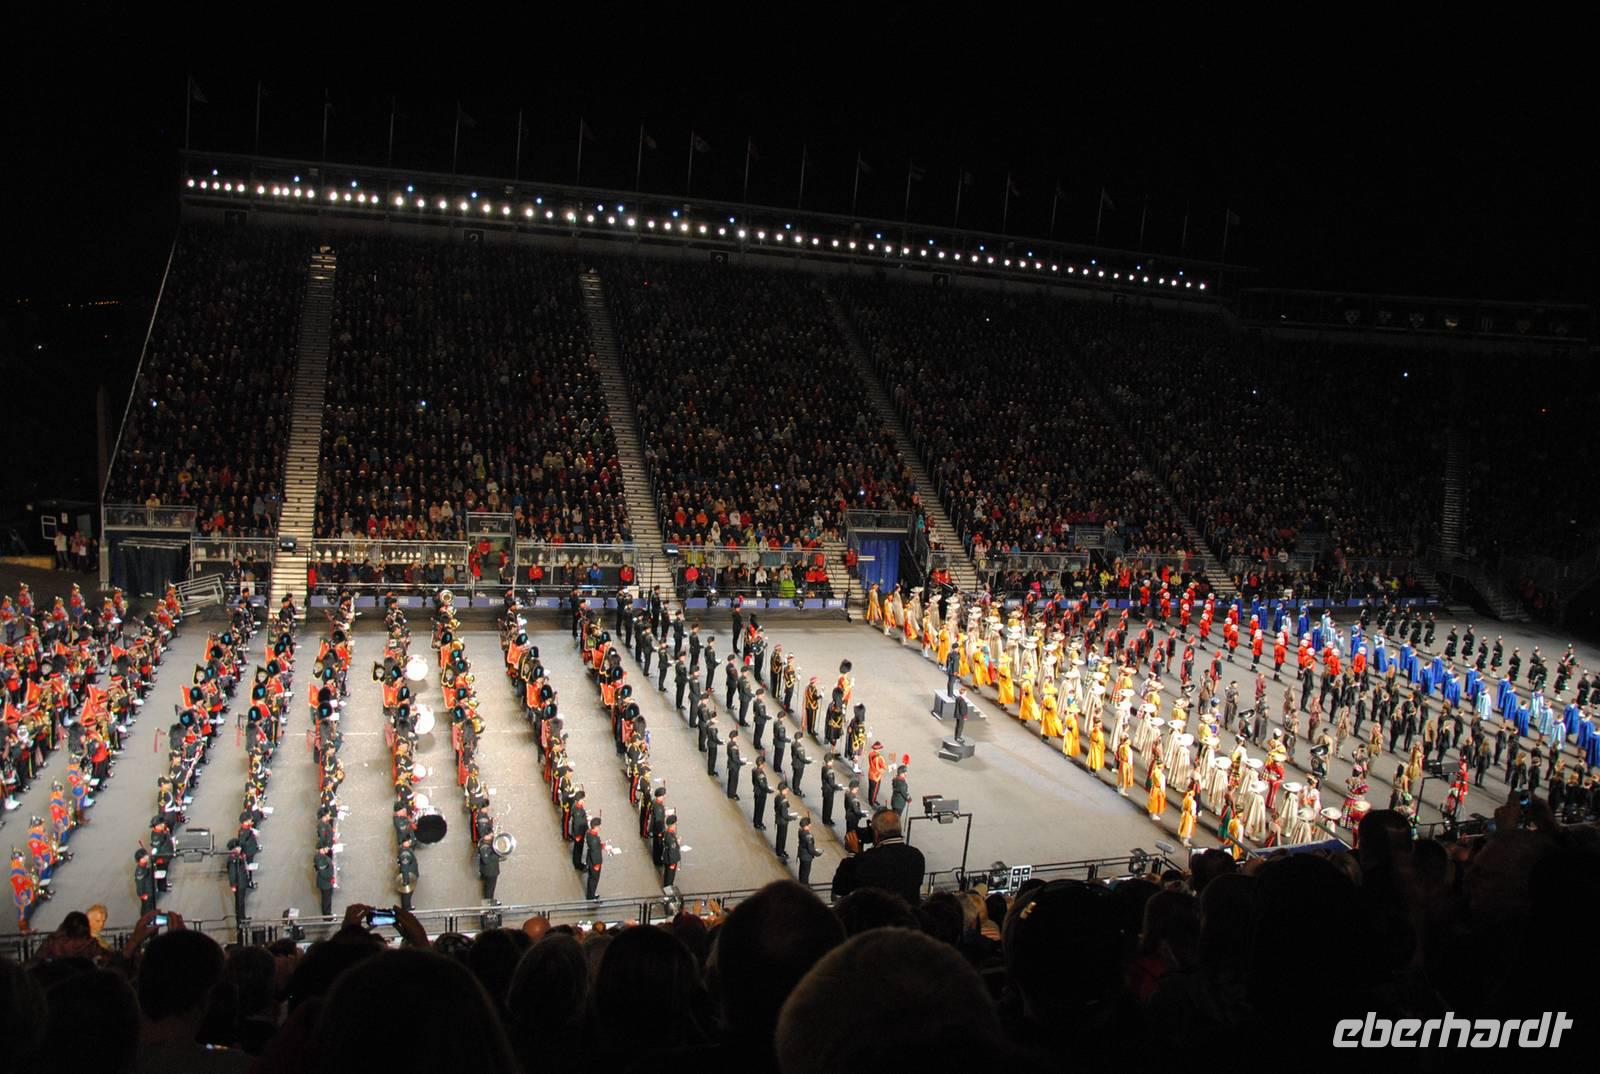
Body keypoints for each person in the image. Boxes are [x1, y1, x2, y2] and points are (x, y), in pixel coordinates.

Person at [830, 809, 925, 904]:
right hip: (909, 916)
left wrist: (853, 853)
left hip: (877, 917)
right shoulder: (917, 856)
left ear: (876, 833)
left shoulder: (867, 860)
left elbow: (840, 888)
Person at [774, 782, 796, 862]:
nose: (787, 790)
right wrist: (792, 817)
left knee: (779, 836)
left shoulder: (778, 797)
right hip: (783, 821)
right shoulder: (783, 800)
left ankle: (779, 849)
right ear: (783, 790)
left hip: (779, 819)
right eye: (786, 789)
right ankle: (780, 851)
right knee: (782, 837)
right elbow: (784, 814)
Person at [583, 817, 605, 898]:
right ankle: (591, 897)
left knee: (591, 879)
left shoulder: (589, 833)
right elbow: (596, 854)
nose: (600, 828)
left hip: (590, 860)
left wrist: (601, 845)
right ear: (595, 827)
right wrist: (597, 865)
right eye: (599, 826)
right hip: (594, 863)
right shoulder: (595, 839)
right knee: (594, 879)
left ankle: (591, 894)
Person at [796, 816, 820, 885]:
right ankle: (805, 886)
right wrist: (818, 853)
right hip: (806, 857)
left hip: (801, 854)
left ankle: (801, 884)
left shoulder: (800, 831)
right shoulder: (808, 836)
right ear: (807, 825)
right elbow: (811, 849)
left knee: (802, 871)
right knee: (806, 872)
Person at [397, 841, 420, 910]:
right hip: (409, 876)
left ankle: (408, 906)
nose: (410, 842)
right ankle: (406, 908)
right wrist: (406, 881)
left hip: (410, 875)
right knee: (407, 893)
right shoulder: (405, 853)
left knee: (408, 893)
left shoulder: (407, 850)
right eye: (408, 841)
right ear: (404, 843)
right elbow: (405, 868)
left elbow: (414, 843)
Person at [660, 814, 681, 888]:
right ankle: (668, 890)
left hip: (666, 857)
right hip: (670, 859)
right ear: (672, 824)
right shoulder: (670, 836)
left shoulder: (668, 832)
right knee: (670, 877)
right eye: (675, 824)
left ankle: (667, 887)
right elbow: (672, 850)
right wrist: (673, 862)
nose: (676, 825)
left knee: (667, 874)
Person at [752, 754, 772, 830]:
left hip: (756, 791)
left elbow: (754, 781)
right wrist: (769, 790)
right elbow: (763, 785)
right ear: (762, 764)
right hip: (761, 793)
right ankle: (758, 823)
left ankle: (756, 821)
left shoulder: (754, 770)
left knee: (757, 808)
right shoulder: (760, 773)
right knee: (760, 809)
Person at [314, 845, 335, 915]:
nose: (327, 849)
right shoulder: (325, 860)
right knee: (327, 899)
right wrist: (331, 879)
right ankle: (327, 915)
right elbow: (325, 874)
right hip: (326, 884)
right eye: (325, 848)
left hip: (322, 882)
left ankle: (326, 913)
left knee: (325, 898)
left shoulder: (317, 856)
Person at [726, 729, 745, 799]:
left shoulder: (729, 743)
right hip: (734, 766)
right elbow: (735, 758)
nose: (737, 738)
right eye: (736, 737)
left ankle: (731, 793)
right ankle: (731, 794)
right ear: (734, 737)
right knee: (733, 781)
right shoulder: (733, 746)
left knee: (731, 780)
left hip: (731, 764)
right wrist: (742, 762)